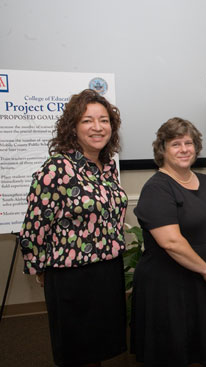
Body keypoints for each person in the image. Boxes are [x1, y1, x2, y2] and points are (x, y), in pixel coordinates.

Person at [19, 89, 127, 367]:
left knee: (99, 351)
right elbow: (34, 226)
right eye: (87, 120)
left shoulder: (107, 167)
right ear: (73, 127)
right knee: (78, 354)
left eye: (104, 120)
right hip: (71, 277)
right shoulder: (57, 168)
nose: (97, 127)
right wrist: (40, 268)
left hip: (107, 271)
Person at [130, 117, 206, 366]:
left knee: (201, 349)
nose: (184, 149)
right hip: (171, 285)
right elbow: (171, 242)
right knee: (176, 351)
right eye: (176, 144)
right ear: (163, 150)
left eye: (189, 143)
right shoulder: (157, 188)